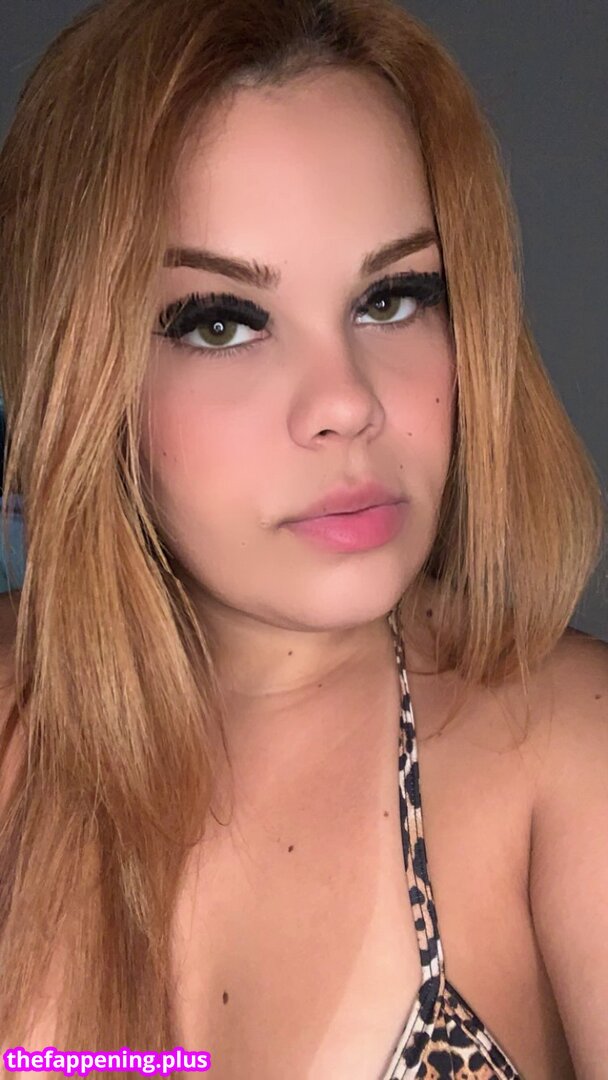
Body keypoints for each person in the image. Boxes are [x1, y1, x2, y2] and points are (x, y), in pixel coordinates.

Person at [0, 0, 605, 1077]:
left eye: (392, 299)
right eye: (221, 321)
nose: (345, 403)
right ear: (78, 366)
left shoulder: (566, 754)